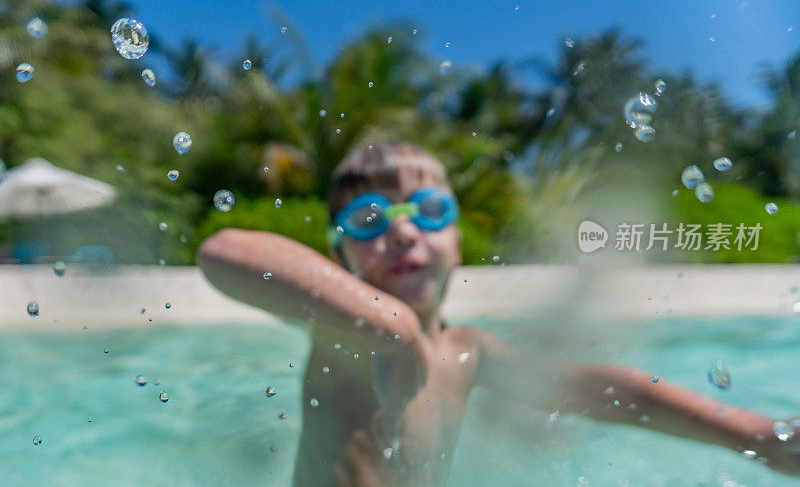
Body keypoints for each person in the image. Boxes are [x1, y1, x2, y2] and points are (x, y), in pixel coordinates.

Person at [197, 141, 799, 486]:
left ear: (458, 238)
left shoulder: (468, 351)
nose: (403, 231)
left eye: (427, 211)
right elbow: (222, 252)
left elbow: (600, 391)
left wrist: (751, 433)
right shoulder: (345, 337)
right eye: (369, 220)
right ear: (339, 253)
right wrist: (394, 329)